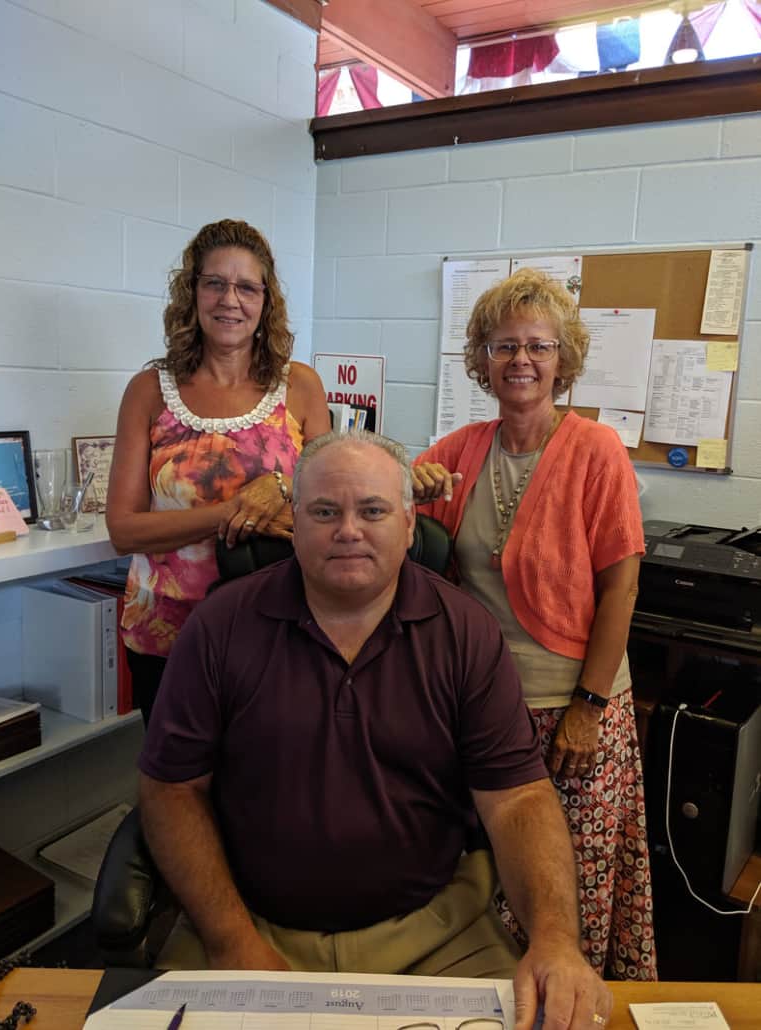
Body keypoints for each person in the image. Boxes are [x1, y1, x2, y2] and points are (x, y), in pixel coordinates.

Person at [138, 430, 613, 1030]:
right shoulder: (219, 627)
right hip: (248, 927)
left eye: (372, 511)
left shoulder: (466, 634)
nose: (348, 531)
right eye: (324, 512)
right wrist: (233, 943)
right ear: (294, 524)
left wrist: (554, 941)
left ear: (410, 525)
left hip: (436, 935)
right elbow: (172, 789)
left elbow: (518, 798)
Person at [412, 269, 657, 981]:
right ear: (482, 359)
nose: (521, 359)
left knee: (568, 886)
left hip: (574, 710)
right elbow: (377, 504)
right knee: (492, 882)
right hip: (486, 708)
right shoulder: (458, 450)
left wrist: (589, 706)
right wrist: (409, 487)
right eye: (504, 345)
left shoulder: (596, 451)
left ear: (562, 359)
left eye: (539, 346)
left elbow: (621, 588)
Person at [106, 219, 330, 724]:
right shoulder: (149, 391)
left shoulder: (300, 387)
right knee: (177, 767)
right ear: (193, 293)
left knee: (268, 764)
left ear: (266, 301)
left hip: (277, 623)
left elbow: (329, 498)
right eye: (215, 283)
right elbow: (123, 530)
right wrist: (233, 511)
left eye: (247, 287)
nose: (230, 300)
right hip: (167, 629)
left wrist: (279, 486)